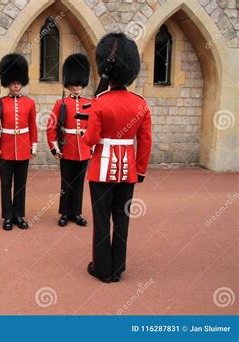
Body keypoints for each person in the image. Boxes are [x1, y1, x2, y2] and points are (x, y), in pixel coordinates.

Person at [83, 33, 152, 283]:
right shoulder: (140, 104)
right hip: (128, 171)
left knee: (102, 220)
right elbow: (145, 142)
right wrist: (140, 170)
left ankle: (102, 268)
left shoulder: (100, 102)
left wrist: (86, 131)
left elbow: (90, 140)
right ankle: (117, 268)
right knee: (121, 219)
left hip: (101, 169)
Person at [0, 53, 38, 231]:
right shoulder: (0, 103)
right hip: (5, 149)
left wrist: (33, 146)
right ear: (8, 84)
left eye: (18, 83)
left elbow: (32, 126)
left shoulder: (29, 103)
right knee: (6, 185)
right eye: (13, 83)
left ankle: (19, 215)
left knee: (21, 185)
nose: (16, 86)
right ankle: (7, 216)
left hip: (23, 149)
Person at [46, 53, 92, 227]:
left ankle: (76, 213)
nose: (77, 87)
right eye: (74, 84)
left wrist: (92, 148)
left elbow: (94, 127)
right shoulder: (61, 103)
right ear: (69, 84)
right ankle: (64, 213)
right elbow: (51, 126)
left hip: (84, 148)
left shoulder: (90, 103)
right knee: (66, 182)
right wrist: (55, 148)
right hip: (67, 148)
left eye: (79, 84)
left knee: (79, 183)